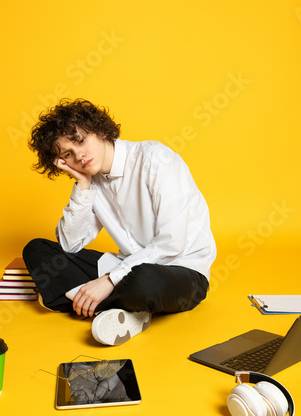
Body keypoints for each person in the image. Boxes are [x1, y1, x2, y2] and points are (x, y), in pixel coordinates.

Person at [23, 98, 216, 346]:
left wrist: (109, 280)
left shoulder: (156, 159)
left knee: (144, 281)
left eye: (81, 141)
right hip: (125, 266)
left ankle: (76, 299)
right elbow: (69, 245)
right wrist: (82, 187)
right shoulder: (91, 181)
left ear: (101, 131)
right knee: (38, 250)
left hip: (182, 271)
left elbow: (172, 245)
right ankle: (124, 310)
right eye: (67, 154)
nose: (79, 155)